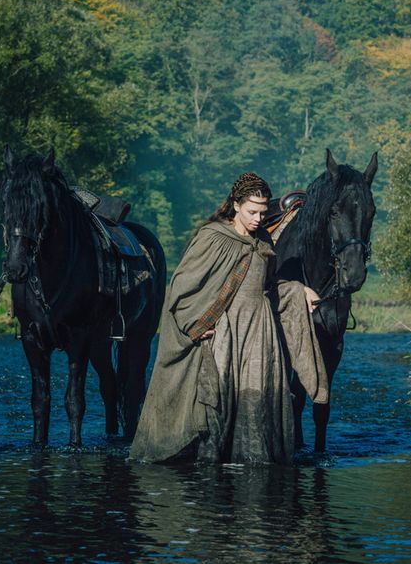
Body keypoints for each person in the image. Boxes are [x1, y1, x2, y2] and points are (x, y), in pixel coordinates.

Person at [129, 172, 329, 464]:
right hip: (226, 331)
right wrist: (194, 325)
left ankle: (252, 459)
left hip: (259, 333)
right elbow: (184, 285)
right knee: (220, 396)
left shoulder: (262, 240)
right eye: (252, 212)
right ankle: (211, 464)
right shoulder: (214, 237)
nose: (259, 219)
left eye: (262, 212)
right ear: (236, 205)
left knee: (257, 395)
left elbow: (268, 287)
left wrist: (300, 291)